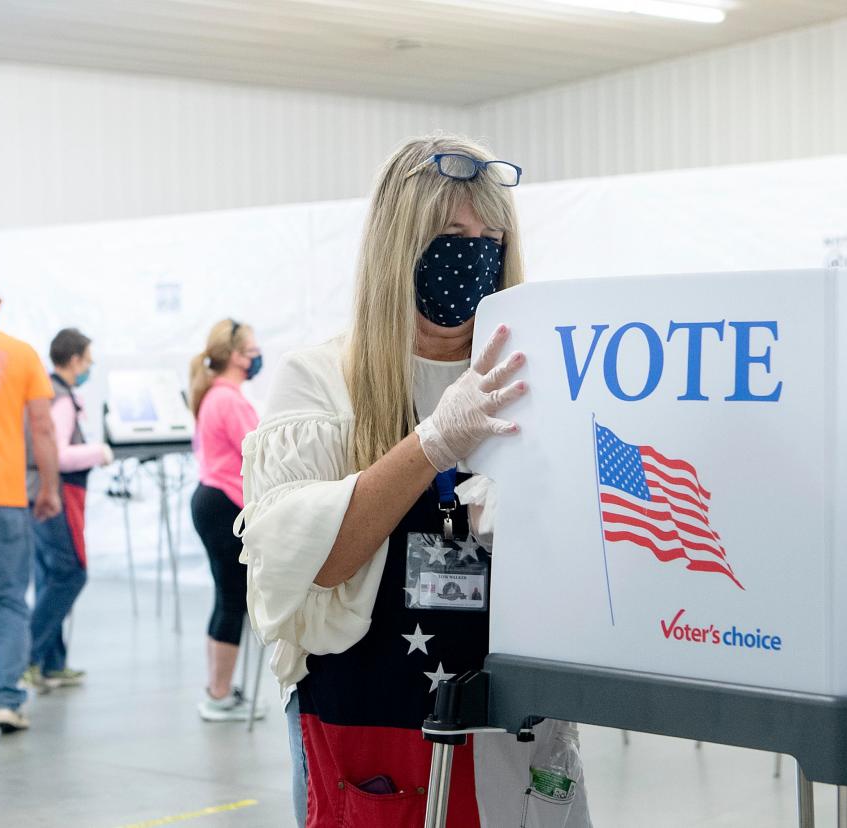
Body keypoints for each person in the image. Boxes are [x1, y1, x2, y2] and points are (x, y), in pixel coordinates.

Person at [238, 135, 591, 826]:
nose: (476, 251)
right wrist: (432, 444)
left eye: (492, 235)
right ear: (401, 242)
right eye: (453, 233)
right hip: (370, 712)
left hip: (510, 711)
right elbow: (317, 562)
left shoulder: (536, 377)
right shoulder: (320, 380)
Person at [0, 274, 61, 737]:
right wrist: (48, 488)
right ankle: (7, 702)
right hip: (5, 501)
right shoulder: (22, 354)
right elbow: (43, 430)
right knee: (8, 602)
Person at [23, 328, 114, 692]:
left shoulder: (50, 392)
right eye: (88, 360)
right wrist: (100, 452)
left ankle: (51, 662)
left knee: (49, 576)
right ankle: (27, 657)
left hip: (41, 495)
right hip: (57, 496)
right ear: (74, 359)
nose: (89, 367)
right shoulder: (60, 399)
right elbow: (57, 455)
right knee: (70, 574)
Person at [189, 318, 264, 722]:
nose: (256, 356)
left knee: (226, 596)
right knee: (233, 599)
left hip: (213, 501)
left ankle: (217, 689)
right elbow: (258, 452)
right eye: (251, 350)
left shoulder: (215, 395)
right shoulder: (229, 399)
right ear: (235, 356)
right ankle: (218, 694)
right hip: (223, 505)